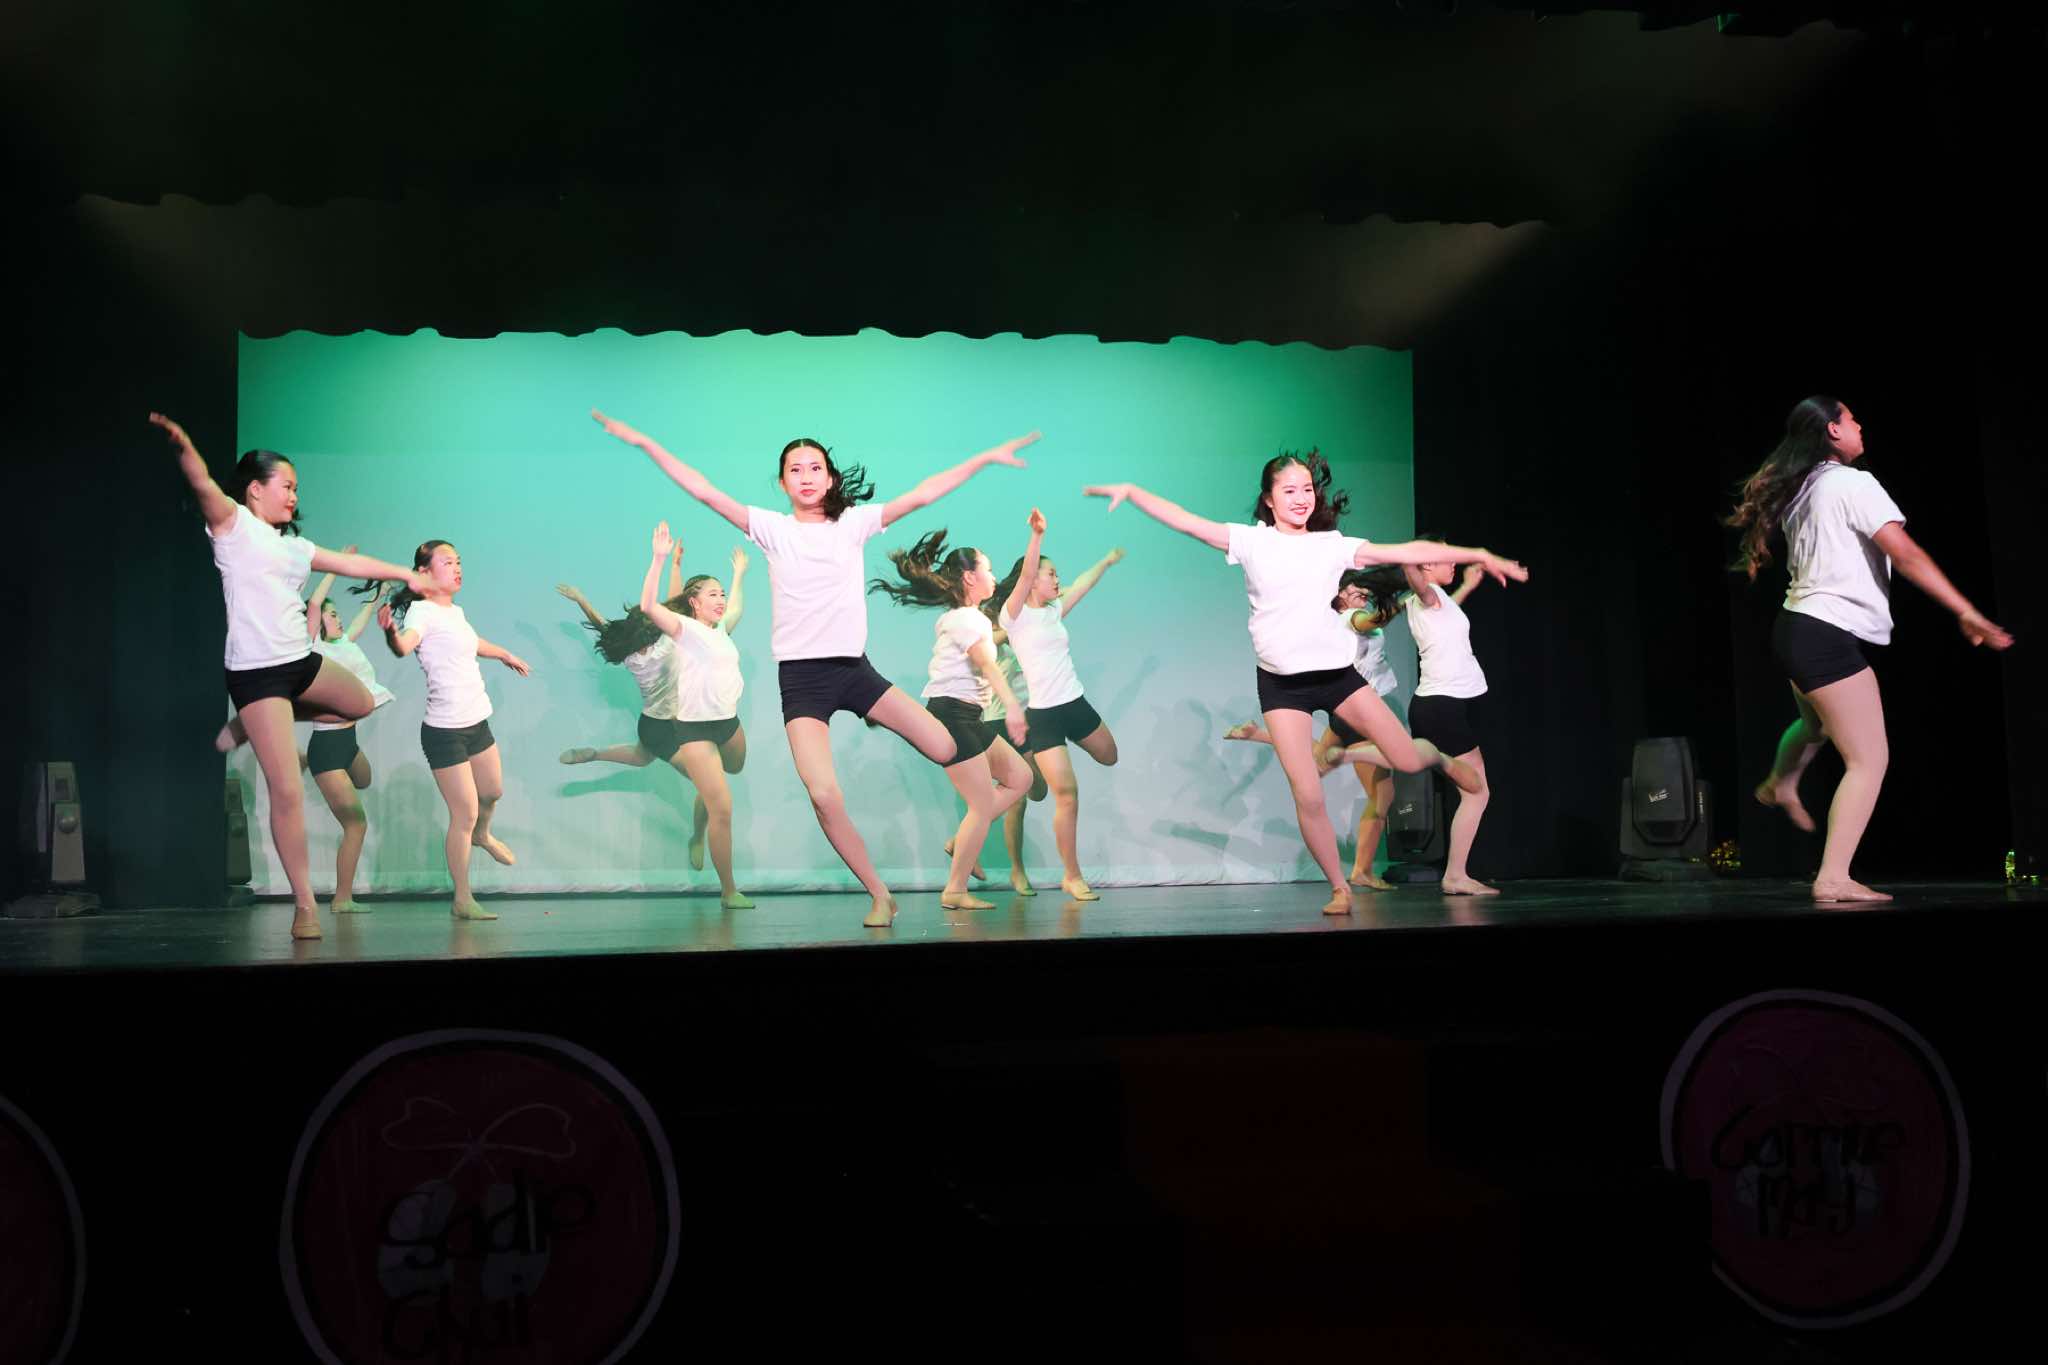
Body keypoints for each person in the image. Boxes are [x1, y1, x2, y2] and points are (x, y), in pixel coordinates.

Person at [595, 409, 1036, 925]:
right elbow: (704, 491)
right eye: (795, 469)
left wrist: (984, 459)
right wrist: (646, 443)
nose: (806, 476)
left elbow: (922, 494)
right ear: (782, 482)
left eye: (815, 468)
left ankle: (967, 807)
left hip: (855, 672)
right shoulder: (771, 529)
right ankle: (880, 895)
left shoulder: (853, 524)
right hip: (803, 682)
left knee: (944, 746)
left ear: (829, 479)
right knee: (824, 796)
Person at [1085, 450, 1525, 914]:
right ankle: (1340, 888)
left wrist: (1478, 554)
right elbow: (1187, 522)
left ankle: (1433, 754)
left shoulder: (1330, 545)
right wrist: (1132, 492)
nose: (1301, 498)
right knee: (1308, 792)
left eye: (1307, 489)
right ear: (1269, 499)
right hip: (1282, 688)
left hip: (1338, 678)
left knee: (1407, 760)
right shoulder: (1251, 542)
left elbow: (1405, 552)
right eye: (1289, 490)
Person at [152, 412, 426, 940]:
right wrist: (184, 444)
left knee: (361, 702)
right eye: (287, 486)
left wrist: (402, 572)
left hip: (300, 664)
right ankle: (305, 906)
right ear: (256, 489)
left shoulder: (296, 547)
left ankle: (250, 725)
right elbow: (202, 483)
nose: (295, 496)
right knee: (288, 791)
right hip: (256, 676)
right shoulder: (233, 526)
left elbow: (350, 566)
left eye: (297, 488)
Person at [1727, 395, 2010, 902]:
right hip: (1824, 634)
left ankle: (1780, 783)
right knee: (1868, 759)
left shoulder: (1803, 489)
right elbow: (1906, 553)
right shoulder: (1854, 484)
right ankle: (1833, 877)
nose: (1861, 426)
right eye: (1852, 418)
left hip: (1794, 627)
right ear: (1833, 430)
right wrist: (1964, 609)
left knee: (1816, 725)